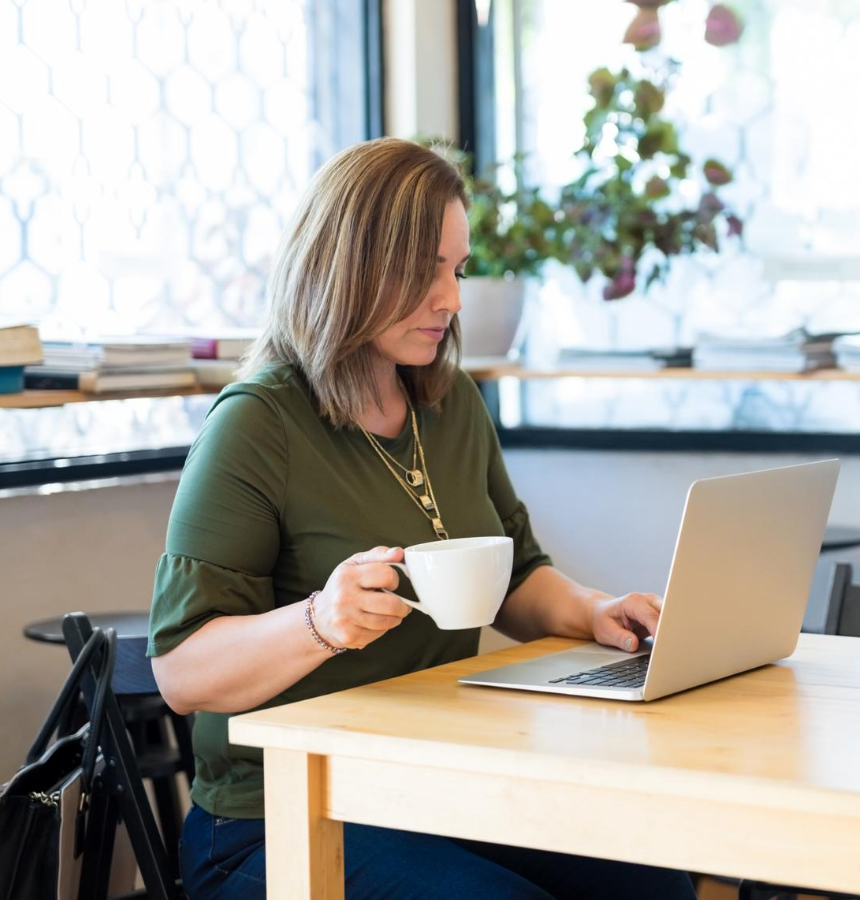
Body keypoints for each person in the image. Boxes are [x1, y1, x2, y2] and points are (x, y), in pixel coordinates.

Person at [147, 137, 698, 900]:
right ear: (348, 265)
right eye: (423, 271)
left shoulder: (451, 404)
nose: (453, 298)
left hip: (431, 789)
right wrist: (319, 621)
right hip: (274, 820)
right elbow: (180, 671)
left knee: (652, 885)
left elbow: (519, 575)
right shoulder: (258, 423)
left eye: (457, 269)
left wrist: (597, 612)